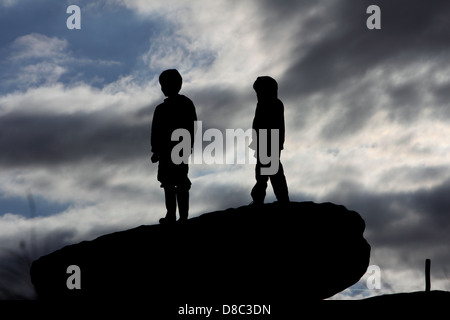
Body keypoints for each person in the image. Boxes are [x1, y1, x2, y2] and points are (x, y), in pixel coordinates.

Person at [151, 69, 197, 224]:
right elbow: (156, 132)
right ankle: (172, 214)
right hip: (167, 151)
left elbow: (192, 126)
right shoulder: (161, 109)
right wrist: (156, 151)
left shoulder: (184, 104)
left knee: (180, 181)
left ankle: (182, 216)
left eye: (164, 85)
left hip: (178, 149)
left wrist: (187, 144)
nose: (163, 88)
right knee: (168, 183)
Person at [249, 76, 289, 205]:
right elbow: (257, 124)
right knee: (263, 173)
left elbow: (276, 127)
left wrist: (275, 144)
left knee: (271, 172)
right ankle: (260, 199)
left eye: (259, 91)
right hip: (263, 143)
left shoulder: (275, 104)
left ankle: (280, 199)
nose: (258, 94)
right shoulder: (261, 104)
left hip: (270, 142)